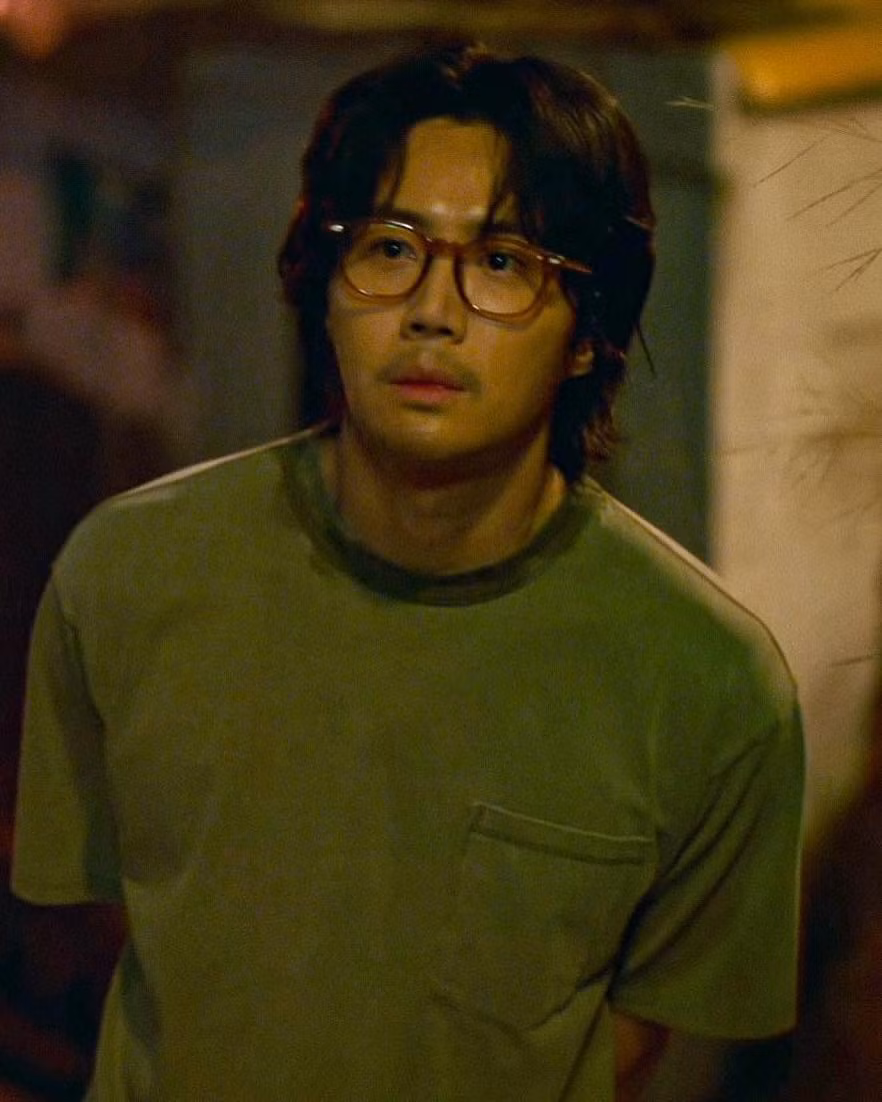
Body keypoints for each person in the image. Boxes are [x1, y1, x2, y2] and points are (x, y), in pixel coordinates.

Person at [11, 41, 804, 1101]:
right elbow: (90, 928)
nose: (433, 309)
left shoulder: (710, 681)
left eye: (503, 263)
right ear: (325, 285)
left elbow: (640, 1031)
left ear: (587, 333)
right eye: (390, 248)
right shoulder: (126, 573)